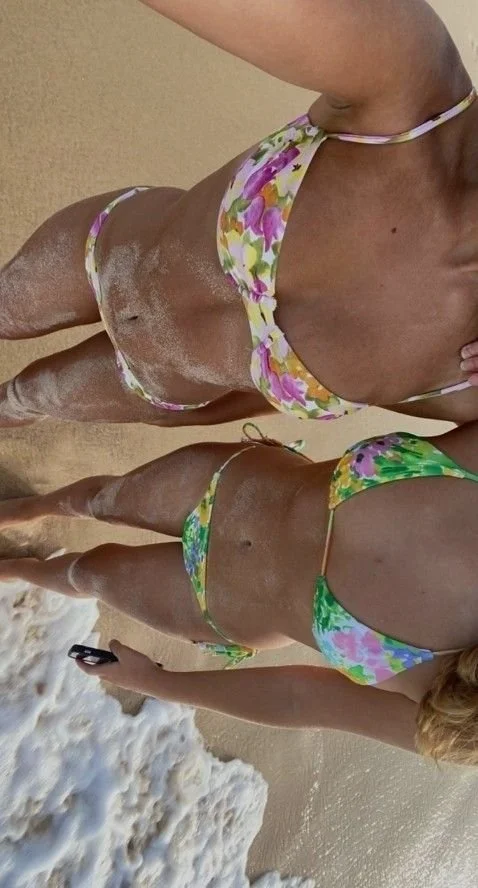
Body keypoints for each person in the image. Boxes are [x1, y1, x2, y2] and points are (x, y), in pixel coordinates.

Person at [2, 0, 478, 428]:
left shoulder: (465, 386)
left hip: (147, 388)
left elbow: (258, 403)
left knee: (17, 404)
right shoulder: (412, 82)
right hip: (100, 258)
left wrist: (177, 416)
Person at [1, 421, 478, 765]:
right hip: (239, 484)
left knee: (87, 573)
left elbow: (302, 700)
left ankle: (17, 569)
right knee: (102, 501)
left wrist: (156, 682)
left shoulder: (466, 719)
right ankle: (29, 508)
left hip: (218, 602)